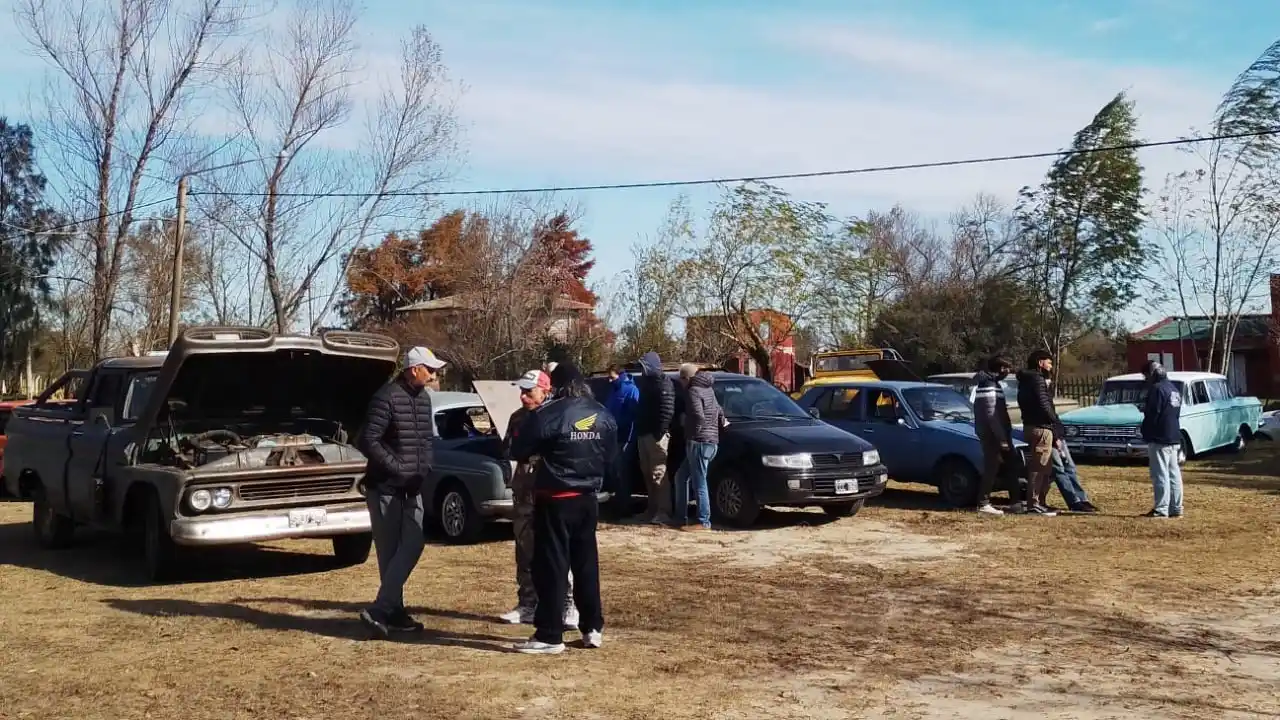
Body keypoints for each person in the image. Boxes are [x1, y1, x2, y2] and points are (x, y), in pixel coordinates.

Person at [510, 362, 616, 654]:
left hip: (555, 497)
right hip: (588, 498)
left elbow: (519, 450)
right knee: (586, 564)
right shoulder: (602, 414)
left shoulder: (551, 414)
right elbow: (611, 455)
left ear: (555, 386)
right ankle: (592, 627)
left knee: (552, 567)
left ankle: (549, 634)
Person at [357, 346, 447, 638]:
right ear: (413, 369)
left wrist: (425, 466)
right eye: (429, 369)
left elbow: (425, 441)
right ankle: (392, 611)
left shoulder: (423, 399)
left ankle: (382, 608)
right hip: (385, 487)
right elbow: (368, 440)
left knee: (414, 543)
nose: (434, 374)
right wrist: (397, 468)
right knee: (390, 552)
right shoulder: (386, 397)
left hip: (413, 486)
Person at [499, 370, 578, 627]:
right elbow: (508, 451)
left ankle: (568, 606)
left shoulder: (558, 417)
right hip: (524, 495)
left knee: (557, 552)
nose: (523, 397)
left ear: (545, 391)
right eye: (521, 391)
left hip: (552, 494)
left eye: (529, 392)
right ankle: (527, 605)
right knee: (525, 551)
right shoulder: (518, 419)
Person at [673, 364, 725, 530]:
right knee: (681, 477)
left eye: (681, 378)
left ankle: (703, 522)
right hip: (711, 441)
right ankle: (680, 516)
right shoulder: (708, 389)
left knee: (699, 482)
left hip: (699, 442)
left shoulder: (693, 391)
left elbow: (698, 416)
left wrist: (691, 431)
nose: (680, 382)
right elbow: (720, 412)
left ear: (686, 378)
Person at [1016, 350, 1063, 517]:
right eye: (1049, 362)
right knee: (1040, 467)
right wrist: (1056, 425)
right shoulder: (1037, 379)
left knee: (1045, 467)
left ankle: (1040, 502)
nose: (1051, 366)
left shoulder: (1025, 381)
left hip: (1031, 425)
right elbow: (1045, 405)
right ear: (1040, 362)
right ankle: (1034, 503)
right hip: (1042, 427)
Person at [635, 351, 675, 525]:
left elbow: (667, 410)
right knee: (646, 473)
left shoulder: (663, 383)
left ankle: (663, 511)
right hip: (643, 433)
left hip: (656, 436)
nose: (641, 370)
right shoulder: (646, 383)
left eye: (644, 366)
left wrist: (659, 432)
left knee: (659, 473)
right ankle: (651, 509)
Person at [1141, 359, 1184, 518]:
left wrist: (1146, 431)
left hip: (1159, 436)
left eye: (1146, 375)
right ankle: (1176, 508)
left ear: (1152, 373)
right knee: (1174, 474)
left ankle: (1161, 509)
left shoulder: (1156, 389)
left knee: (1160, 474)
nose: (1145, 379)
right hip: (1173, 435)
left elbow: (1152, 414)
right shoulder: (1174, 389)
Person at [972, 356, 1015, 516]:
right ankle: (983, 503)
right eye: (1005, 368)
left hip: (997, 433)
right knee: (991, 467)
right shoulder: (988, 384)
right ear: (999, 368)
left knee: (1009, 464)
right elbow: (991, 415)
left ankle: (1015, 501)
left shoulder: (993, 383)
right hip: (992, 435)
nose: (1008, 371)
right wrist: (1001, 438)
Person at [604, 365, 640, 516]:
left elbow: (633, 415)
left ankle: (623, 507)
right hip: (613, 437)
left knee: (622, 473)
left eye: (612, 377)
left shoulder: (631, 390)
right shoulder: (613, 390)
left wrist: (619, 426)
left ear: (621, 375)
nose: (609, 380)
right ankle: (617, 504)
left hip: (625, 438)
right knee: (614, 472)